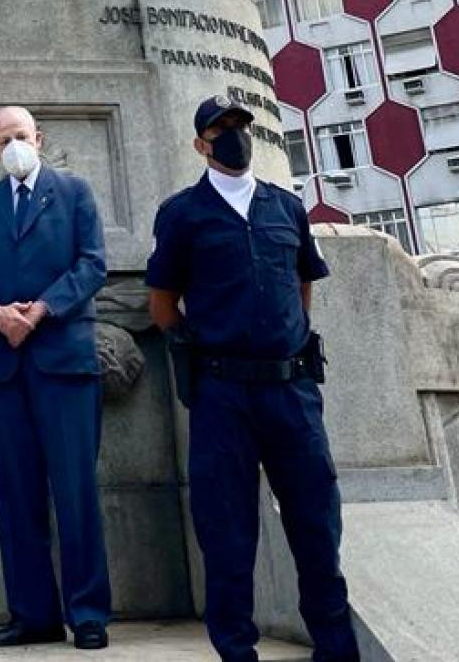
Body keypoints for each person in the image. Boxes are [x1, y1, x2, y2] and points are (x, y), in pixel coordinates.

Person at [146, 96, 360, 662]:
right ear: (201, 144)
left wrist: (287, 336)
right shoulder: (182, 213)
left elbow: (303, 281)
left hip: (291, 390)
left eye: (241, 126)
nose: (234, 136)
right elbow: (163, 302)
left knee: (317, 525)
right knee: (228, 533)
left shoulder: (286, 207)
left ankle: (336, 650)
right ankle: (237, 651)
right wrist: (200, 347)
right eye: (221, 129)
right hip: (223, 394)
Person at [0, 105, 112, 649]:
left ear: (38, 138)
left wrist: (43, 309)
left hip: (63, 361)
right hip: (6, 366)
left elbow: (92, 264)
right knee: (16, 494)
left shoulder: (75, 193)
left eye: (21, 135)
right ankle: (33, 613)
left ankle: (87, 612)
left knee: (75, 493)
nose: (14, 146)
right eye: (4, 141)